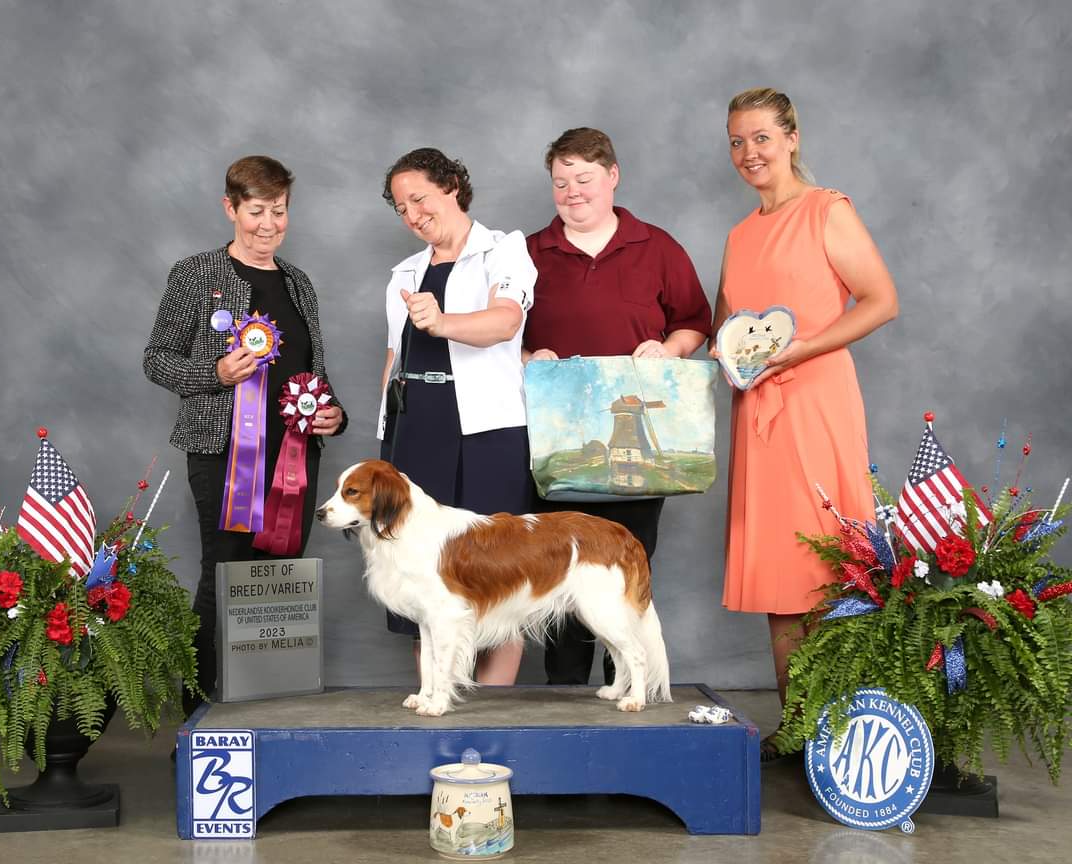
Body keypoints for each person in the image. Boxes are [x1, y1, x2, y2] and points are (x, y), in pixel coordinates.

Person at [712, 89, 898, 761]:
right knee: (780, 574)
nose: (748, 153)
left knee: (828, 564)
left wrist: (801, 349)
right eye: (736, 141)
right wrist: (723, 351)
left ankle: (846, 729)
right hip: (758, 407)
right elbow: (729, 326)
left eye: (760, 137)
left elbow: (882, 301)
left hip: (816, 396)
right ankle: (797, 727)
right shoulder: (738, 235)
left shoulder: (827, 210)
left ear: (791, 137)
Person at [144, 155, 345, 714]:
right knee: (224, 574)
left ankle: (270, 712)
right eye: (256, 211)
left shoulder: (298, 283)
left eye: (279, 212)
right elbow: (156, 360)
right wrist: (214, 373)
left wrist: (333, 415)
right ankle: (200, 716)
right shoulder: (196, 274)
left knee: (281, 582)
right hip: (222, 453)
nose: (268, 225)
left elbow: (312, 372)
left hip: (296, 457)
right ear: (230, 208)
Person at [522, 127, 713, 687]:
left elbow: (695, 320)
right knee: (559, 575)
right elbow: (503, 330)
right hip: (556, 447)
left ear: (612, 176)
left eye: (584, 179)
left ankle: (626, 686)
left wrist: (668, 348)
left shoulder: (657, 247)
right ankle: (563, 695)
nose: (572, 192)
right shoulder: (529, 253)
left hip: (636, 456)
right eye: (561, 183)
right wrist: (531, 355)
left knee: (626, 571)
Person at [378, 147, 537, 684]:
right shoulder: (405, 271)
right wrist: (386, 433)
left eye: (418, 198)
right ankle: (439, 707)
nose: (412, 215)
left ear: (451, 186)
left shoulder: (505, 251)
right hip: (416, 436)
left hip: (488, 434)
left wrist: (441, 321)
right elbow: (394, 357)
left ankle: (491, 717)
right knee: (422, 579)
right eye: (401, 208)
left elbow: (504, 322)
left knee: (497, 579)